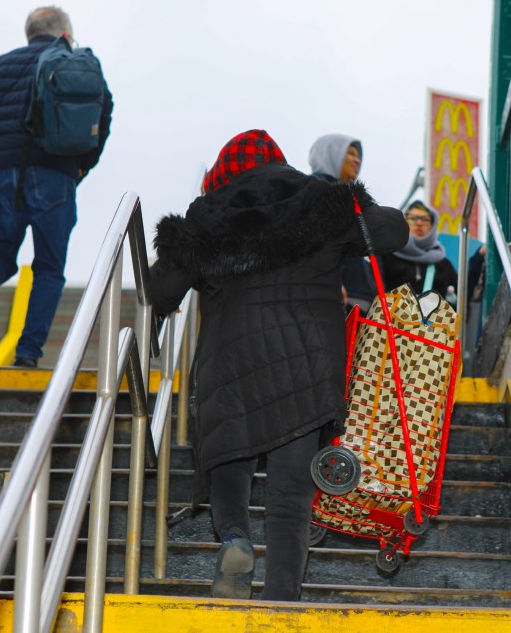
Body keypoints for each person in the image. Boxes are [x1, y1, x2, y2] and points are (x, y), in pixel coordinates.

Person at [149, 130, 408, 601]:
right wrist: (355, 210)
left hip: (230, 364)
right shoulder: (321, 204)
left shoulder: (206, 218)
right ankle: (281, 596)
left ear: (222, 172)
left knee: (229, 457)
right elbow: (394, 230)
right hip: (308, 364)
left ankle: (235, 538)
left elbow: (160, 289)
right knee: (291, 491)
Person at [0, 6, 113, 368]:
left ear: (30, 33)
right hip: (55, 178)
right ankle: (27, 355)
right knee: (48, 269)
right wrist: (80, 165)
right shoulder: (77, 64)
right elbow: (103, 113)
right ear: (65, 34)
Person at [308, 133, 376, 312]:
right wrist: (332, 283)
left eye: (358, 156)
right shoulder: (316, 191)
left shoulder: (349, 194)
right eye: (350, 153)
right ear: (330, 153)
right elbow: (315, 244)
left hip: (357, 302)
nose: (357, 160)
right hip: (335, 299)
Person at [381, 199, 458, 300]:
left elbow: (463, 300)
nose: (419, 223)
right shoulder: (386, 256)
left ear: (432, 226)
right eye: (413, 219)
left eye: (425, 219)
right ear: (404, 223)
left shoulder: (443, 264)